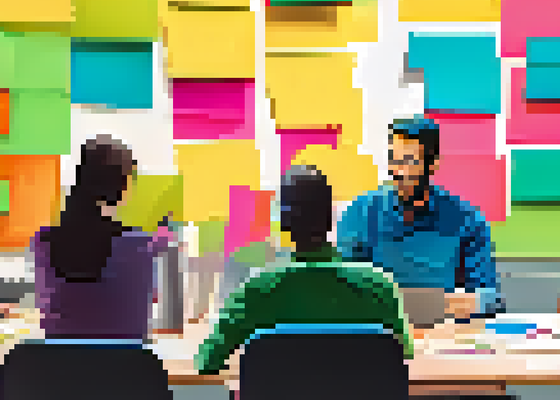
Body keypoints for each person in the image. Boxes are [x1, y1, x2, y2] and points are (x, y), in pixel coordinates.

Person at [336, 115, 510, 400]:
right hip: (379, 351)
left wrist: (473, 303)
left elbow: (493, 297)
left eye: (411, 162)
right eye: (394, 160)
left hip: (447, 350)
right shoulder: (362, 213)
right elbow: (344, 288)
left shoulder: (465, 219)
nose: (399, 171)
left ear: (432, 164)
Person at [196, 164, 413, 374]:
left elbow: (207, 361)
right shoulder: (379, 288)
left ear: (283, 223)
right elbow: (405, 358)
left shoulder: (256, 290)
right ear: (330, 219)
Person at [33, 135, 174, 340]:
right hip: (127, 368)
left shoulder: (42, 243)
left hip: (62, 368)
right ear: (121, 185)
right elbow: (151, 300)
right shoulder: (139, 245)